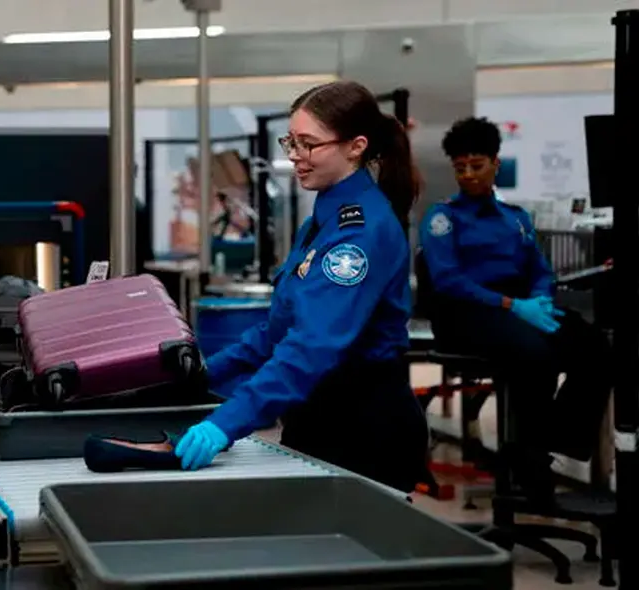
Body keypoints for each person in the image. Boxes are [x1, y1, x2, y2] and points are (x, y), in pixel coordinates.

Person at [174, 80, 429, 492]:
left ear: (355, 146)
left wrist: (226, 422)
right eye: (290, 143)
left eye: (308, 144)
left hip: (363, 428)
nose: (295, 157)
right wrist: (198, 377)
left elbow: (312, 346)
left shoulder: (360, 232)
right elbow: (276, 333)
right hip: (319, 413)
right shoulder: (320, 223)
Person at [418, 116, 612, 500]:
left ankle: (549, 442)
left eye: (477, 166)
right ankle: (528, 455)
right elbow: (448, 281)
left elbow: (540, 269)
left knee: (594, 347)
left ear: (496, 163)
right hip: (466, 312)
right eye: (461, 169)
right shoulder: (443, 219)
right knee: (534, 351)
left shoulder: (516, 219)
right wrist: (511, 305)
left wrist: (538, 299)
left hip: (519, 305)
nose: (469, 175)